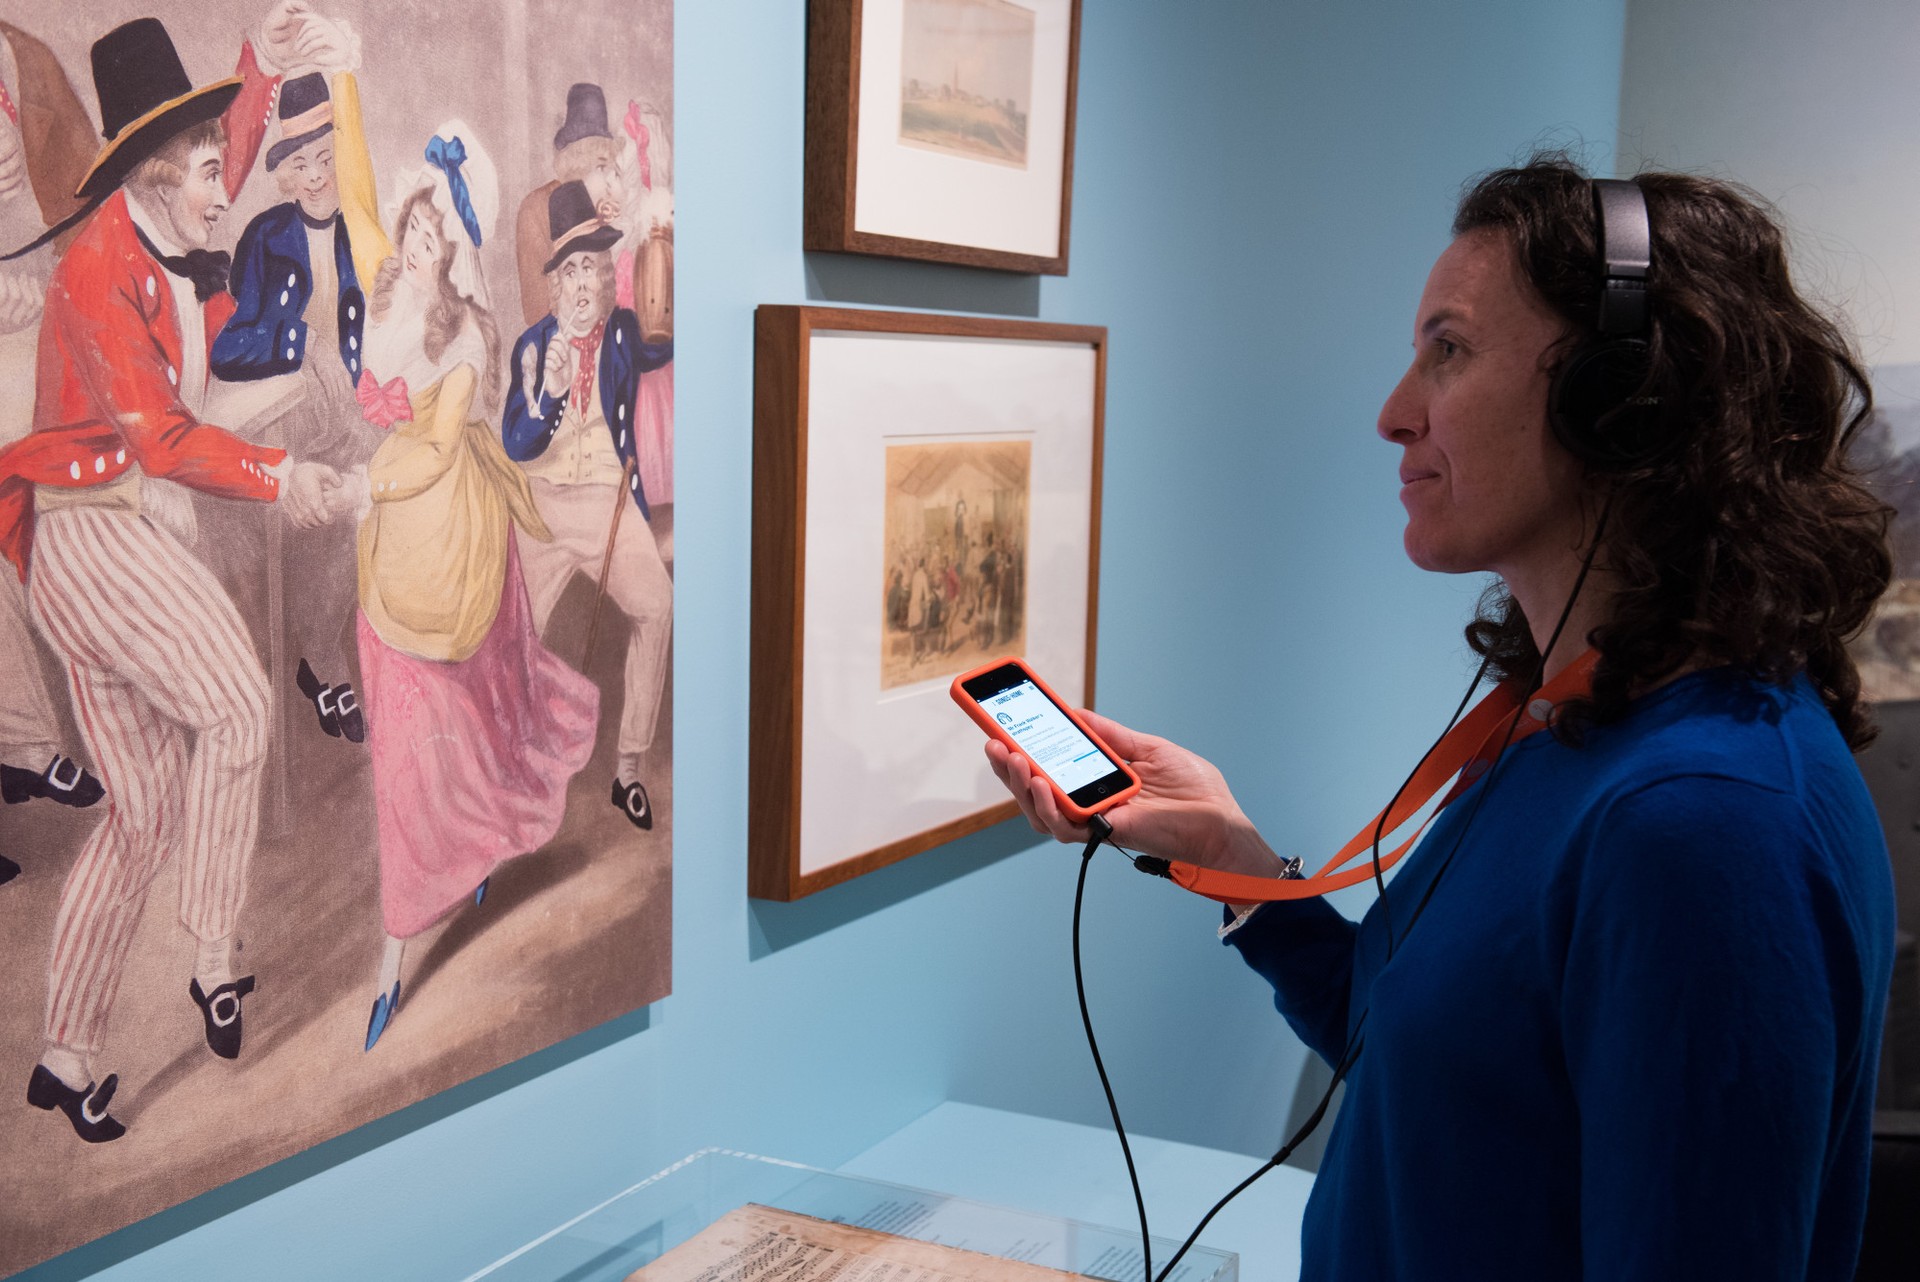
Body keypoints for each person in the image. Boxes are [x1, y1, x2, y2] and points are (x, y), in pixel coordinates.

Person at [985, 154, 1897, 1279]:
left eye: (1448, 351)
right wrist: (1231, 854)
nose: (1393, 411)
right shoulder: (1567, 725)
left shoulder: (1702, 824)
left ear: (1619, 399)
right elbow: (1424, 1050)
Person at [0, 14, 340, 1144]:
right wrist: (282, 473)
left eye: (213, 166)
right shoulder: (98, 266)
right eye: (202, 173)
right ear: (152, 176)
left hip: (92, 547)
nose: (222, 190)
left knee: (142, 816)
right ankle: (214, 951)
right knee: (243, 708)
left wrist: (261, 54)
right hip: (98, 542)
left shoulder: (163, 217)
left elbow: (232, 147)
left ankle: (65, 1050)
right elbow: (159, 443)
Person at [327, 121, 599, 1052]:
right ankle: (414, 915)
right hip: (392, 536)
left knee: (461, 721)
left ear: (459, 258)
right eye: (413, 229)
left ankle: (399, 943)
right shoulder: (388, 283)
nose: (413, 245)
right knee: (406, 742)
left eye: (434, 239)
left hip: (450, 536)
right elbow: (358, 198)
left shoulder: (471, 340)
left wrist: (365, 484)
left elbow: (439, 448)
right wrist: (345, 75)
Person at [211, 63, 377, 745]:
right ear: (285, 173)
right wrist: (300, 338)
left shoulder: (364, 232)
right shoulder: (265, 236)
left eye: (325, 157)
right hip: (290, 426)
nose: (315, 175)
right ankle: (315, 661)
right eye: (301, 162)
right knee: (321, 492)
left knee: (358, 499)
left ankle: (321, 655)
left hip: (357, 424)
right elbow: (229, 347)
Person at [501, 179, 673, 831]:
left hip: (609, 504)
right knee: (512, 631)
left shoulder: (625, 332)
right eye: (570, 269)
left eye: (594, 268)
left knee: (658, 608)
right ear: (553, 281)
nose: (582, 284)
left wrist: (660, 238)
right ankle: (515, 767)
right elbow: (517, 441)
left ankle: (628, 767)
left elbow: (668, 338)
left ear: (608, 277)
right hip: (541, 508)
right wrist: (544, 395)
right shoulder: (530, 347)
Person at [0, 21, 104, 871]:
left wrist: (41, 287)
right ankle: (26, 745)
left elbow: (79, 208)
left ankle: (28, 746)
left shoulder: (23, 60)